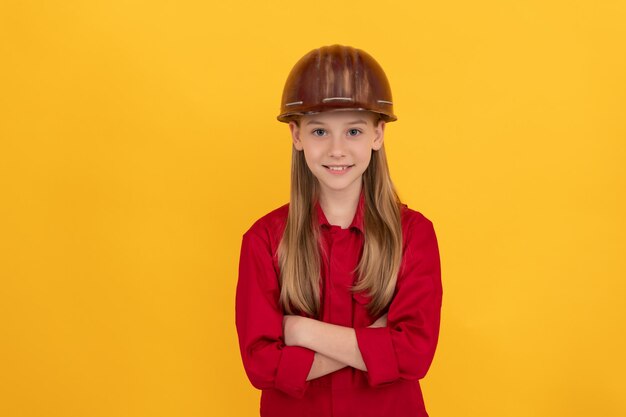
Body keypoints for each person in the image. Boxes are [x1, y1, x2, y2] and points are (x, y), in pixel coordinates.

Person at [235, 44, 443, 417]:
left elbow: (413, 356)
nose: (336, 149)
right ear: (296, 136)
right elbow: (262, 366)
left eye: (353, 131)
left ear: (377, 136)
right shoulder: (263, 241)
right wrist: (376, 344)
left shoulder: (415, 234)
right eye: (319, 131)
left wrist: (301, 332)